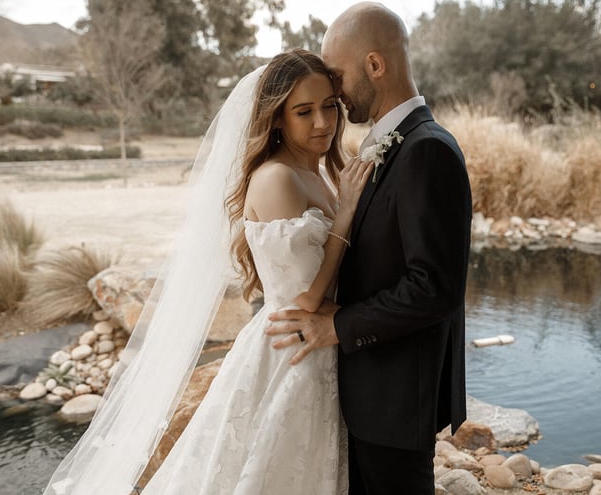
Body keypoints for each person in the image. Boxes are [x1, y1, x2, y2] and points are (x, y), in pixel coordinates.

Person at [44, 49, 372, 495]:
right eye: (304, 112)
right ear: (276, 118)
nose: (322, 122)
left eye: (329, 106)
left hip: (315, 349)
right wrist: (346, 214)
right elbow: (305, 303)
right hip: (288, 353)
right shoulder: (278, 178)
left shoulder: (318, 172)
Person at [265, 2, 473, 494]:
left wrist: (334, 325)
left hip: (395, 401)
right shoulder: (391, 144)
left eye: (337, 76)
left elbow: (434, 288)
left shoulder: (427, 150)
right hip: (370, 393)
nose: (333, 93)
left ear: (375, 65)